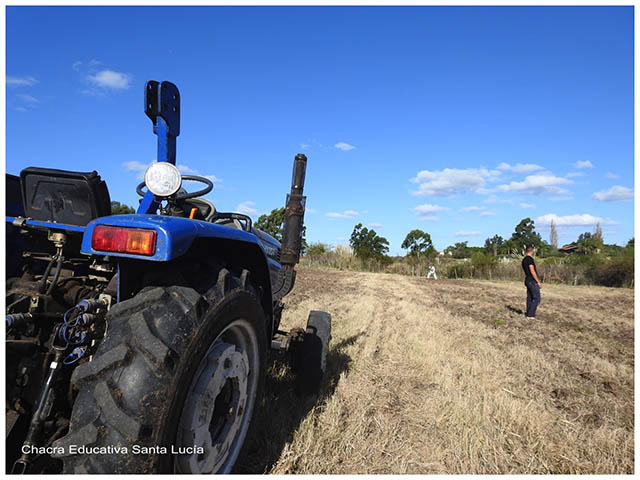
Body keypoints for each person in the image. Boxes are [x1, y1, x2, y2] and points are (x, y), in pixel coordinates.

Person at [522, 246, 542, 319]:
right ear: (531, 251)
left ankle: (528, 313)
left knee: (530, 297)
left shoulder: (524, 259)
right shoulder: (530, 259)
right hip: (532, 280)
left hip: (527, 280)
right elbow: (532, 271)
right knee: (537, 298)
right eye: (534, 250)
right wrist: (538, 281)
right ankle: (531, 314)